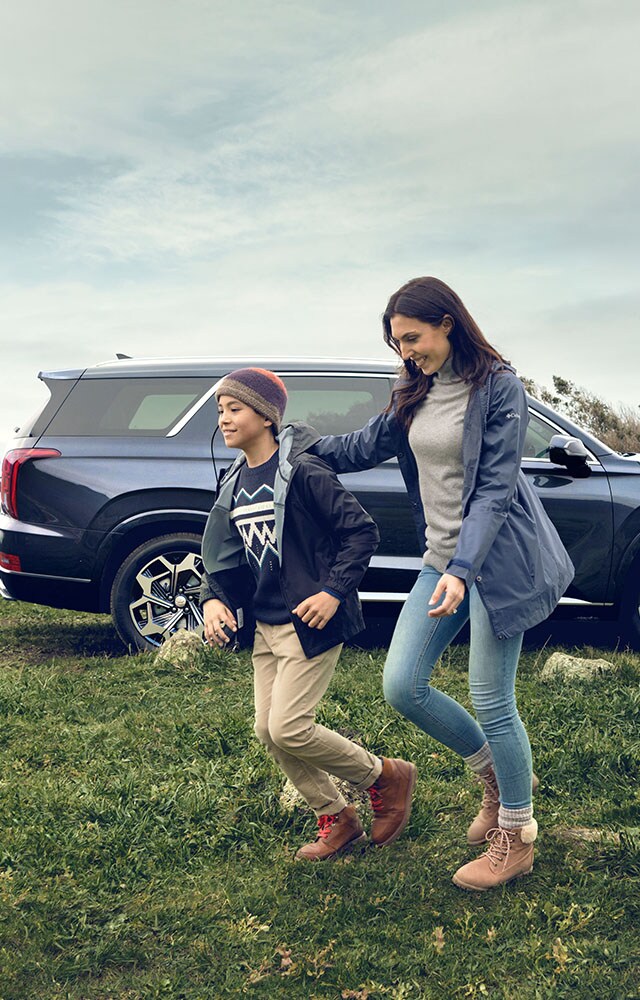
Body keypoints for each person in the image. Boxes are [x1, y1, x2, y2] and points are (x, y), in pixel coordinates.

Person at [313, 277, 574, 890]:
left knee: (492, 698)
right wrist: (295, 450)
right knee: (403, 684)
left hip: (496, 563)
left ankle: (516, 835)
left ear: (447, 323)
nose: (406, 352)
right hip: (443, 559)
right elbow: (364, 445)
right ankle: (498, 776)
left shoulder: (501, 388)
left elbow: (495, 488)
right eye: (397, 342)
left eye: (414, 338)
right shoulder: (414, 388)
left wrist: (463, 570)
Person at [199, 367, 417, 861]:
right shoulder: (233, 481)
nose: (224, 420)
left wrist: (333, 592)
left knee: (290, 727)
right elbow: (226, 554)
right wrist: (214, 598)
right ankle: (337, 818)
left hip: (309, 620)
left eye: (234, 409)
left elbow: (361, 532)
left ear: (267, 417)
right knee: (266, 731)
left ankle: (385, 776)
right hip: (266, 625)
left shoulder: (304, 472)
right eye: (221, 411)